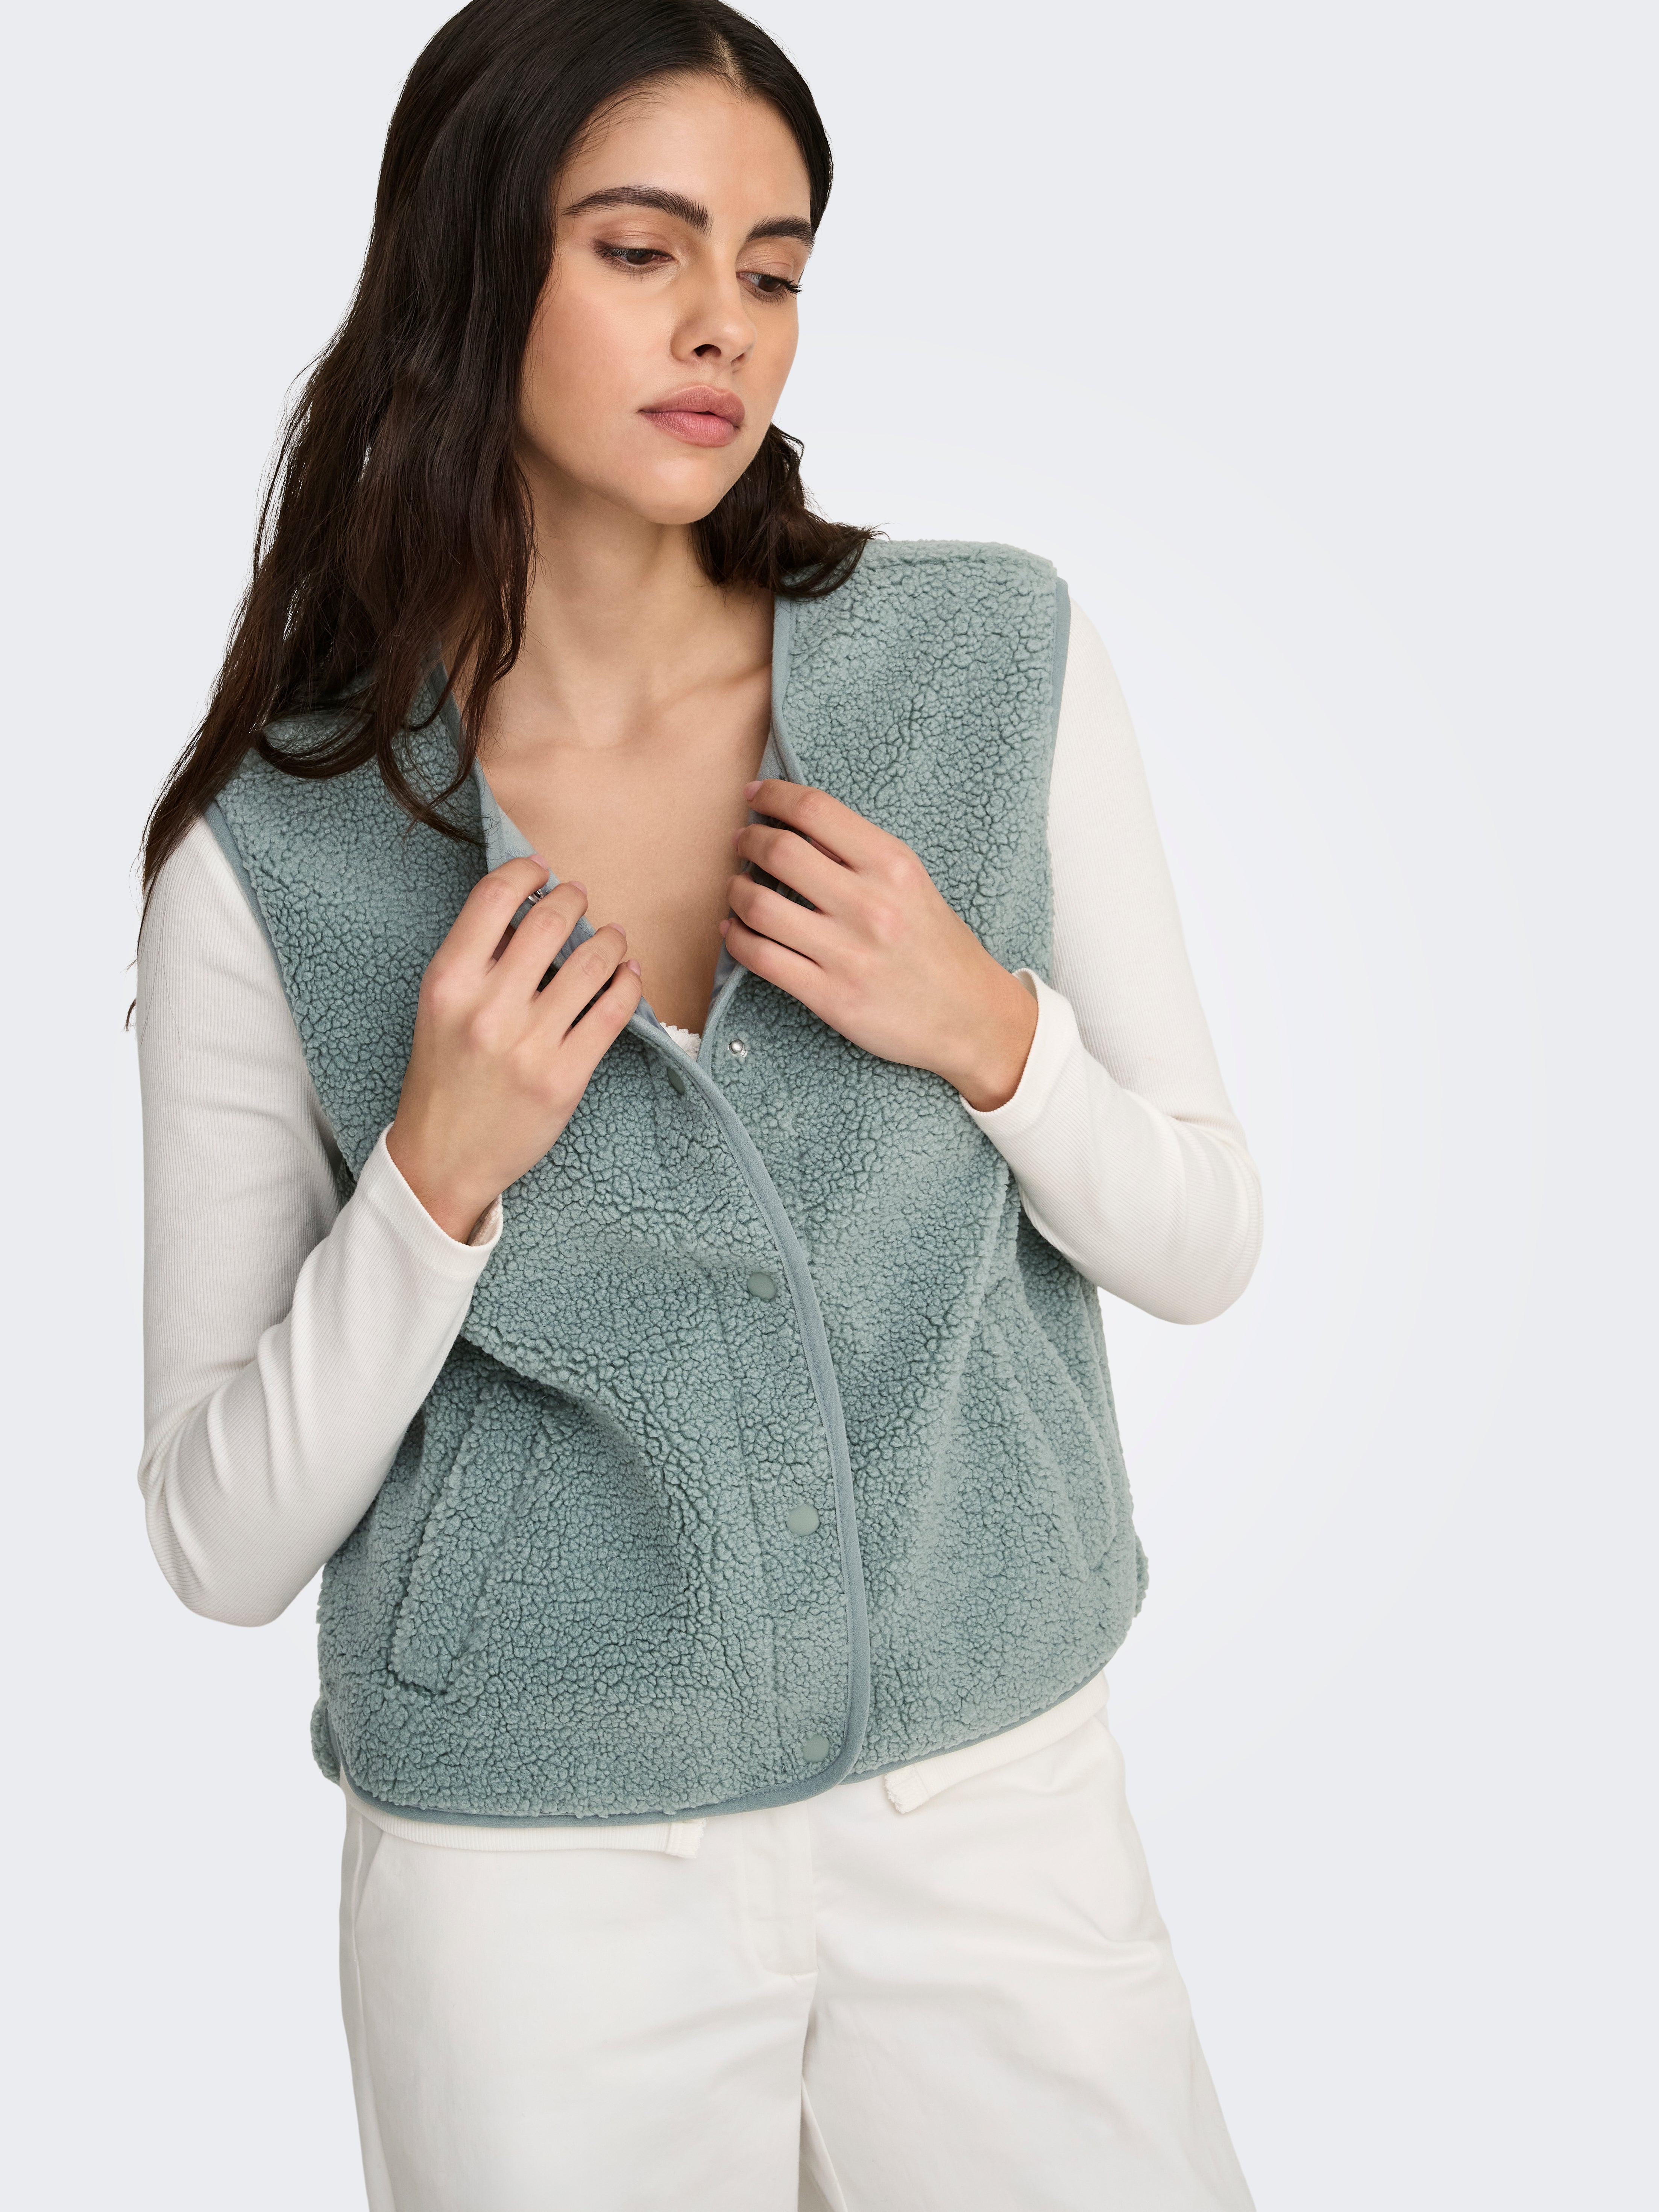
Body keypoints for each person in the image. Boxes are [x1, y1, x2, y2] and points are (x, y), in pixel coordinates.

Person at [135, 2, 1264, 2205]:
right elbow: (214, 1538)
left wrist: (988, 1025)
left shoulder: (987, 663)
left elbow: (1208, 1236)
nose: (723, 325)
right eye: (641, 251)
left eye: (773, 265)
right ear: (476, 266)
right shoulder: (278, 850)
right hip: (535, 1890)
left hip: (989, 1808)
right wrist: (434, 1183)